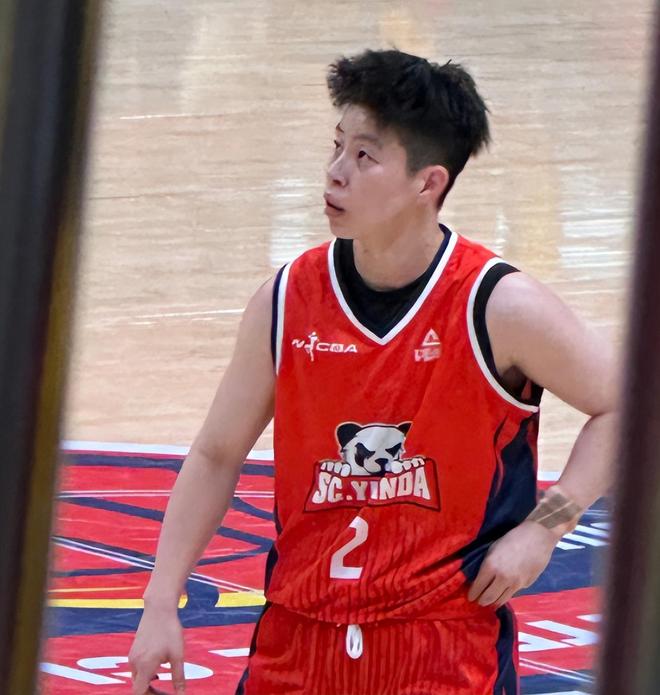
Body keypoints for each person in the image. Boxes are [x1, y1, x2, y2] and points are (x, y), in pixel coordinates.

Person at [128, 49, 617, 694]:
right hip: (297, 641)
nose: (335, 172)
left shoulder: (500, 305)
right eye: (337, 146)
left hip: (443, 649)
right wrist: (160, 600)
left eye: (364, 156)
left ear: (427, 183)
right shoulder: (286, 298)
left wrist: (545, 528)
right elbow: (217, 454)